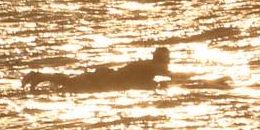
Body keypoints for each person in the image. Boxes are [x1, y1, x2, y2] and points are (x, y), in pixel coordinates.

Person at [22, 46, 172, 92]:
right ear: (161, 59)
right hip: (103, 80)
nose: (169, 62)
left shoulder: (147, 65)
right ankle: (38, 76)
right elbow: (170, 75)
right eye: (167, 59)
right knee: (69, 84)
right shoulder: (154, 67)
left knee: (68, 83)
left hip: (104, 77)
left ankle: (39, 77)